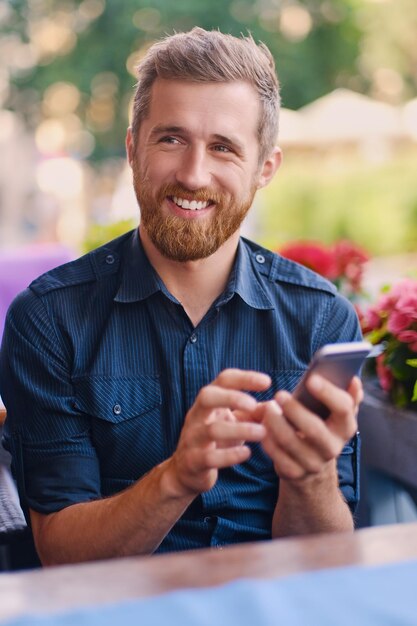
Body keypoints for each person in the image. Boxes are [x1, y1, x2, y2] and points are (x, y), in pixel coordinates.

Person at [0, 27, 363, 566]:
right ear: (132, 148)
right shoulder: (49, 319)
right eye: (171, 139)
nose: (194, 174)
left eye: (223, 147)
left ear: (265, 168)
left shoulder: (321, 317)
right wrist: (177, 477)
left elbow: (327, 561)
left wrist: (309, 476)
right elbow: (60, 553)